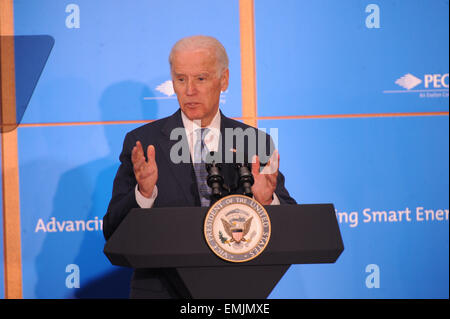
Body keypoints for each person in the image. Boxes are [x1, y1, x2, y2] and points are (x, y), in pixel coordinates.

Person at [103, 35, 296, 298]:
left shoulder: (254, 142)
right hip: (161, 291)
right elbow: (112, 229)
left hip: (237, 291)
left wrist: (266, 201)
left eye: (201, 78)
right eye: (181, 79)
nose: (189, 90)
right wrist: (143, 195)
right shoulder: (144, 144)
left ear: (224, 80)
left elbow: (295, 228)